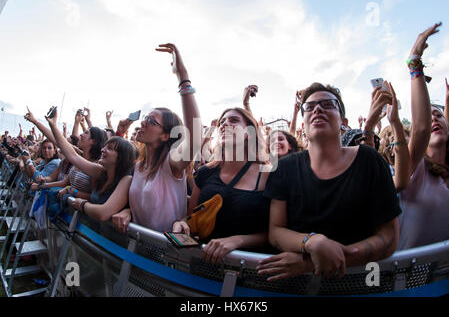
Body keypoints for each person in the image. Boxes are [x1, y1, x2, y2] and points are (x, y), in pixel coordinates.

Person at [257, 82, 401, 280]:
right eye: (309, 107)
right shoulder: (284, 168)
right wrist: (312, 242)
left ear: (343, 121)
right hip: (297, 287)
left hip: (360, 284)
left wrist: (308, 264)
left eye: (328, 104)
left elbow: (389, 237)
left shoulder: (369, 160)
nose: (317, 109)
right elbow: (275, 231)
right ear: (303, 124)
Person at [112, 43, 202, 234]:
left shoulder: (172, 164)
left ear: (166, 135)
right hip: (136, 249)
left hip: (165, 256)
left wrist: (183, 77)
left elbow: (194, 138)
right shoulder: (138, 166)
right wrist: (129, 211)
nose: (144, 123)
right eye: (146, 118)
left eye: (152, 121)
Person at [172, 107, 272, 264]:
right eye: (222, 122)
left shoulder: (268, 175)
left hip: (249, 270)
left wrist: (237, 241)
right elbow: (191, 216)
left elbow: (275, 233)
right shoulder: (206, 172)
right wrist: (182, 223)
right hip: (202, 265)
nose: (225, 124)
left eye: (234, 120)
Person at [398, 22, 449, 249]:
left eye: (439, 115)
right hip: (417, 281)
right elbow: (419, 128)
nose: (434, 119)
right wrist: (414, 61)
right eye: (429, 116)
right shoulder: (415, 169)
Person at [44, 108, 136, 222]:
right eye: (105, 146)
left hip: (103, 238)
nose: (103, 150)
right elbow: (73, 156)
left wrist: (83, 204)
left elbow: (103, 213)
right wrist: (52, 124)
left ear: (121, 157)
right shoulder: (100, 171)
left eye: (110, 149)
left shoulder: (126, 180)